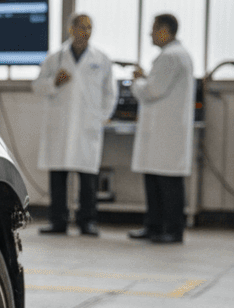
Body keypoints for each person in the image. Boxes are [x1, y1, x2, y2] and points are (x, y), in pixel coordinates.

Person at [32, 13, 118, 235]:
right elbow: (38, 86)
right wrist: (54, 82)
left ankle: (87, 221)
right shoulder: (55, 58)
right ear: (71, 30)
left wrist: (101, 117)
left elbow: (110, 93)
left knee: (88, 179)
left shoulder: (101, 60)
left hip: (87, 125)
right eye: (81, 27)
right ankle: (58, 221)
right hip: (60, 125)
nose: (85, 32)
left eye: (89, 28)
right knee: (58, 176)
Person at [128, 13, 195, 244]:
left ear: (165, 30)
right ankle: (154, 226)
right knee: (156, 181)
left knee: (168, 185)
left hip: (166, 134)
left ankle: (172, 230)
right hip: (163, 133)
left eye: (154, 29)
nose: (150, 33)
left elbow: (152, 91)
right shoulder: (175, 55)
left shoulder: (171, 57)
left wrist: (137, 80)